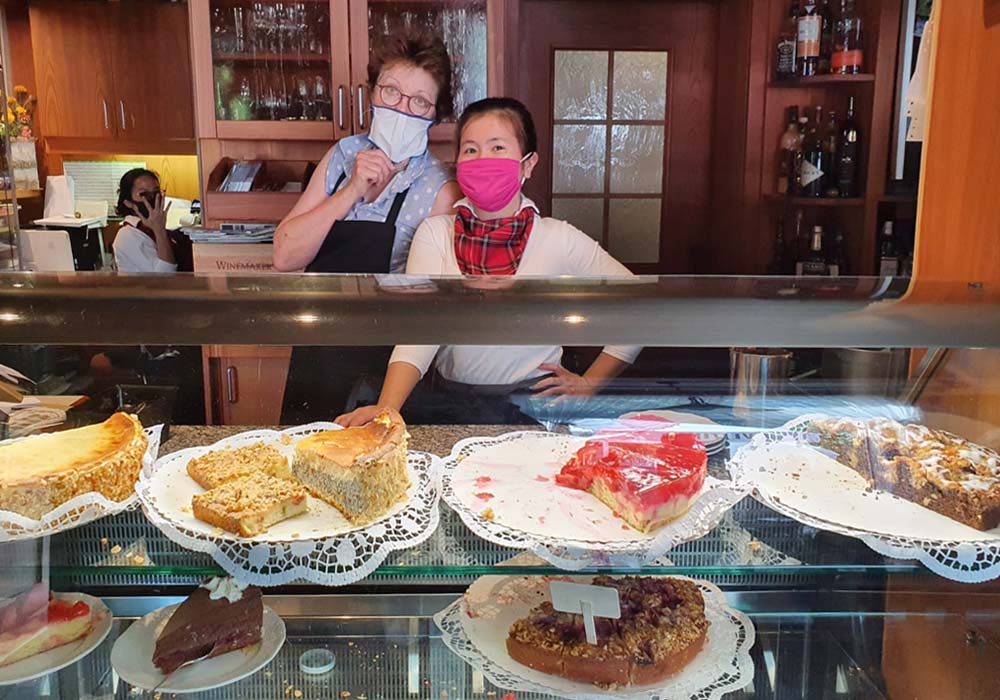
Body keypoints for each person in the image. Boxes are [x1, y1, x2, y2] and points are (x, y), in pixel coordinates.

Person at [337, 97, 641, 427]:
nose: (483, 159)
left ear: (527, 164)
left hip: (536, 409)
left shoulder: (559, 238)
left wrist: (588, 385)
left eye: (497, 148)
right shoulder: (435, 234)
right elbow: (420, 332)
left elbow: (640, 306)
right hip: (448, 403)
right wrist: (388, 409)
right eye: (470, 150)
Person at [277, 30, 462, 423]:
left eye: (420, 102)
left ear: (435, 115)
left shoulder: (439, 189)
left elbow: (429, 310)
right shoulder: (341, 156)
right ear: (372, 94)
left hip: (381, 365)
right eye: (391, 92)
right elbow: (285, 255)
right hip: (316, 348)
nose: (402, 109)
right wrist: (350, 191)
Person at [113, 168, 191, 273]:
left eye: (156, 192)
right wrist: (159, 230)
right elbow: (165, 276)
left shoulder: (149, 228)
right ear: (128, 202)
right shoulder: (128, 235)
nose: (153, 198)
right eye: (143, 194)